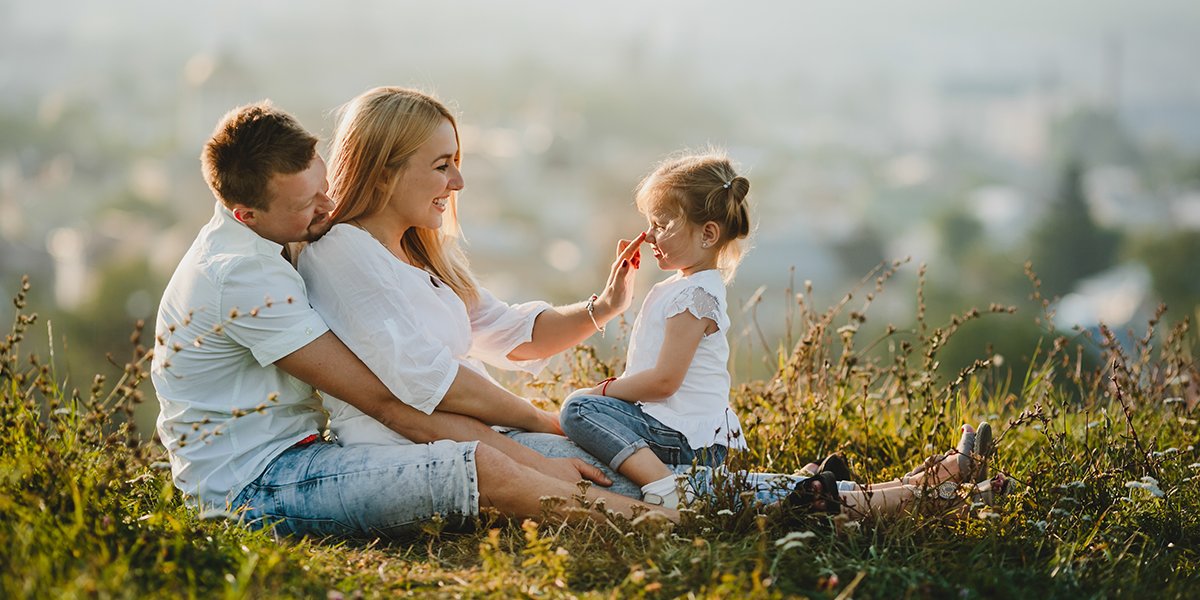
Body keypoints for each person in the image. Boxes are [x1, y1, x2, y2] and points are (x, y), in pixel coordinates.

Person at [296, 86, 1006, 521]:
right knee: (650, 483)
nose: (459, 182)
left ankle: (898, 495)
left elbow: (507, 334)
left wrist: (603, 306)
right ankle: (897, 497)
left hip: (478, 435)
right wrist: (551, 420)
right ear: (385, 168)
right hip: (423, 453)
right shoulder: (344, 255)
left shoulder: (419, 256)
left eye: (458, 160)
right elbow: (425, 383)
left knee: (660, 480)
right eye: (442, 164)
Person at [151, 100, 676, 539]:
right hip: (254, 483)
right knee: (478, 466)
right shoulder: (242, 275)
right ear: (248, 215)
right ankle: (664, 526)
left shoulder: (281, 242)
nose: (327, 207)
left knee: (588, 456)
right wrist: (537, 437)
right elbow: (384, 401)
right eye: (307, 203)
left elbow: (499, 330)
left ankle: (705, 502)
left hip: (308, 452)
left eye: (324, 185)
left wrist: (599, 309)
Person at [558, 151, 751, 509]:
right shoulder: (686, 285)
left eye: (662, 225)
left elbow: (665, 382)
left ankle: (665, 485)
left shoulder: (695, 295)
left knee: (578, 409)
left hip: (687, 440)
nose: (648, 235)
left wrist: (602, 391)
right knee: (582, 408)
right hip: (673, 426)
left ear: (708, 234)